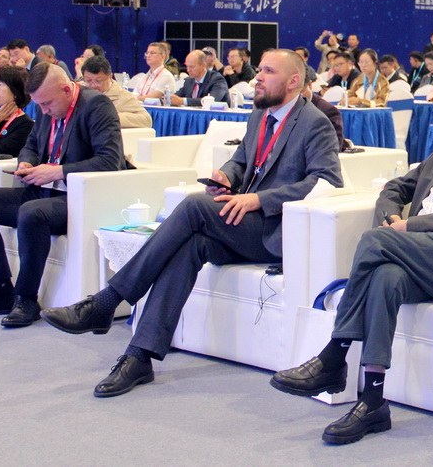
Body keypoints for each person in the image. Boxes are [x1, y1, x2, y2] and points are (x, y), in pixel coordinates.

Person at [41, 49, 344, 396]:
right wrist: (227, 176)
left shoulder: (314, 123)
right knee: (190, 246)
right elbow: (241, 161)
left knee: (194, 206)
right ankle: (139, 356)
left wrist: (259, 199)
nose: (258, 77)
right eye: (259, 69)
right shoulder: (260, 116)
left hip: (275, 229)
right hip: (243, 220)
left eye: (268, 72)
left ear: (294, 81)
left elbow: (326, 181)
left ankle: (107, 301)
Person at [269, 74, 433, 444]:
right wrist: (391, 215)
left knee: (374, 241)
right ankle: (373, 401)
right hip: (411, 254)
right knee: (385, 278)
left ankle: (334, 354)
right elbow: (396, 187)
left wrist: (409, 226)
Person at [0, 63, 128, 327]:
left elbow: (110, 160)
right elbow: (31, 145)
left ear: (66, 90)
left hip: (76, 199)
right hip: (40, 190)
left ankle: (26, 299)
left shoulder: (96, 105)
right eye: (39, 105)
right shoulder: (45, 106)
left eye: (46, 104)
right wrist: (26, 162)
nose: (43, 111)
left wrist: (57, 171)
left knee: (32, 212)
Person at [80, 56, 152, 128]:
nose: (93, 86)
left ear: (110, 77)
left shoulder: (123, 96)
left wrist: (109, 116)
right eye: (88, 81)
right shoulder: (79, 91)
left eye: (98, 81)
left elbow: (146, 120)